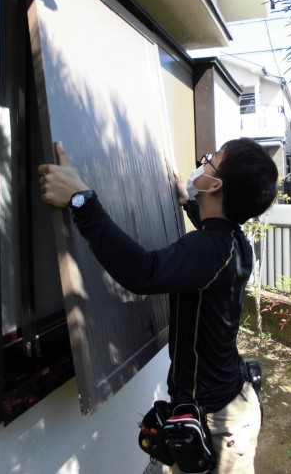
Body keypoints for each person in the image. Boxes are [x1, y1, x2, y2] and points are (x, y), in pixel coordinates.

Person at [38, 137, 278, 474]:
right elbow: (209, 239)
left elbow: (143, 272)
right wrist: (189, 201)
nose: (204, 161)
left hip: (218, 425)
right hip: (232, 400)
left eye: (212, 159)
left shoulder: (209, 250)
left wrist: (81, 200)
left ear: (214, 184)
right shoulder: (236, 243)